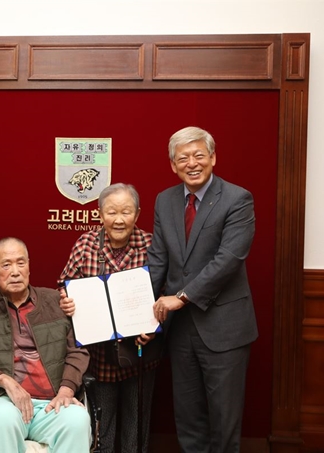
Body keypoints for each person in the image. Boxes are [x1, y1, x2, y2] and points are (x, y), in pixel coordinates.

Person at [147, 126, 258, 453]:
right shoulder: (164, 201)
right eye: (183, 158)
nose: (192, 163)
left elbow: (228, 260)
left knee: (224, 421)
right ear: (173, 165)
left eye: (199, 155)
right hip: (180, 332)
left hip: (225, 329)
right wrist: (141, 319)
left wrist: (180, 298)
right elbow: (157, 261)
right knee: (189, 419)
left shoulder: (238, 199)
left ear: (212, 157)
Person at [0, 237, 91, 453]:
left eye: (21, 263)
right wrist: (4, 380)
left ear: (29, 266)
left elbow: (78, 351)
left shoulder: (55, 302)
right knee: (4, 419)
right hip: (1, 400)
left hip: (50, 403)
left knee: (78, 420)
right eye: (6, 264)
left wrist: (66, 389)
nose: (15, 271)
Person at [58, 183, 163, 453]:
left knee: (136, 425)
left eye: (126, 212)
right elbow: (64, 284)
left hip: (139, 350)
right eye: (112, 212)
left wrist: (154, 326)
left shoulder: (151, 245)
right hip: (99, 354)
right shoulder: (86, 244)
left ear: (137, 214)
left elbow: (166, 293)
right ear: (100, 214)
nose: (119, 219)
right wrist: (67, 301)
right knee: (101, 424)